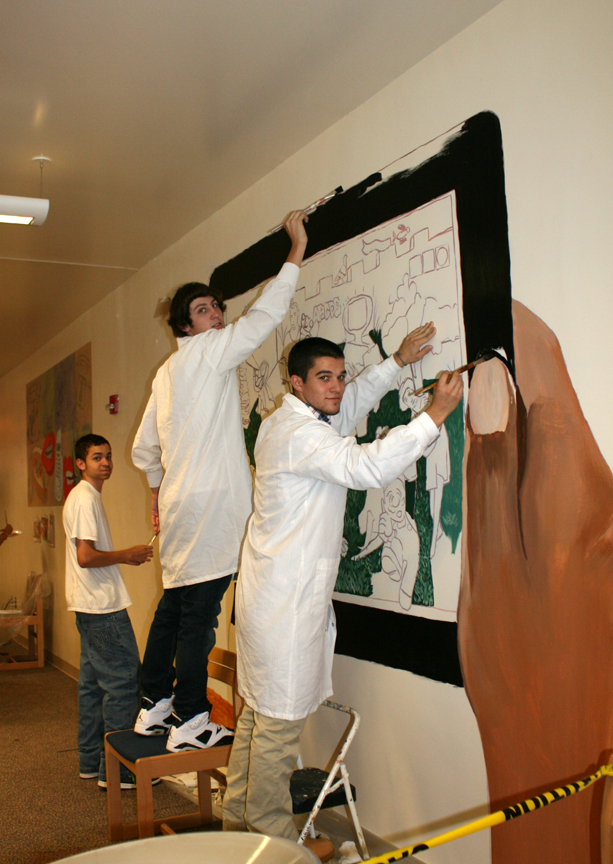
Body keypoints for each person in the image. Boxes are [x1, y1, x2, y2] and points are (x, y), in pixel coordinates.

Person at [223, 332, 463, 861]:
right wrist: (435, 416)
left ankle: (235, 832)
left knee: (257, 719)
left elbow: (347, 406)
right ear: (297, 382)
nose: (336, 387)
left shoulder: (291, 421)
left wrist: (395, 362)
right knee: (277, 732)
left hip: (272, 599)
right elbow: (366, 467)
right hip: (283, 607)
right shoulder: (298, 435)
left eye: (339, 375)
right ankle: (273, 846)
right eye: (324, 378)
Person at [131, 211, 309, 752]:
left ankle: (153, 705)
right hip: (209, 508)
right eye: (203, 310)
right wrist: (296, 249)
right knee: (198, 618)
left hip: (181, 505)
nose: (216, 315)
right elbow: (266, 315)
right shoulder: (209, 352)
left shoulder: (166, 373)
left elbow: (144, 449)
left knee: (173, 609)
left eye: (216, 306)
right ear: (185, 327)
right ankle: (189, 719)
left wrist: (158, 492)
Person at [63, 434, 153, 789]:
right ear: (80, 464)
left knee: (92, 686)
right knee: (123, 685)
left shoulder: (85, 496)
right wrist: (127, 555)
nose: (106, 463)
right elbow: (86, 557)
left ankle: (91, 762)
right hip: (102, 609)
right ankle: (119, 772)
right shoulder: (85, 498)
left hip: (89, 607)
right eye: (97, 457)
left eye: (108, 456)